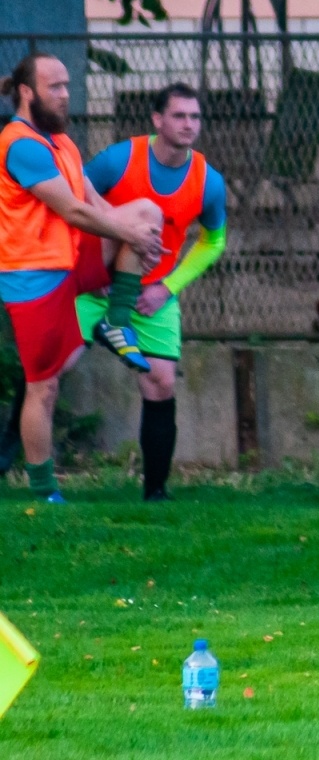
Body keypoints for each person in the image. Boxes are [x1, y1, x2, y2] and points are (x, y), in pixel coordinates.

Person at [0, 54, 163, 502]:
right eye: (54, 86)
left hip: (70, 258)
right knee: (44, 386)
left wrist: (136, 243)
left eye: (67, 85)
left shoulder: (63, 143)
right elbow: (71, 211)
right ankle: (44, 489)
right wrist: (126, 236)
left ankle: (116, 320)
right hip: (33, 276)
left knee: (146, 214)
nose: (65, 94)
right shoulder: (21, 145)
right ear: (27, 92)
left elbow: (96, 206)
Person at [75, 83, 227, 501]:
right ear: (157, 120)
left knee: (161, 383)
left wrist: (167, 287)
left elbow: (214, 242)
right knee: (49, 371)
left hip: (151, 294)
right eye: (179, 115)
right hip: (96, 285)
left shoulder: (208, 181)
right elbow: (73, 196)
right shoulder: (120, 159)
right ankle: (14, 465)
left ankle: (156, 492)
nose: (189, 124)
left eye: (195, 117)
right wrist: (93, 265)